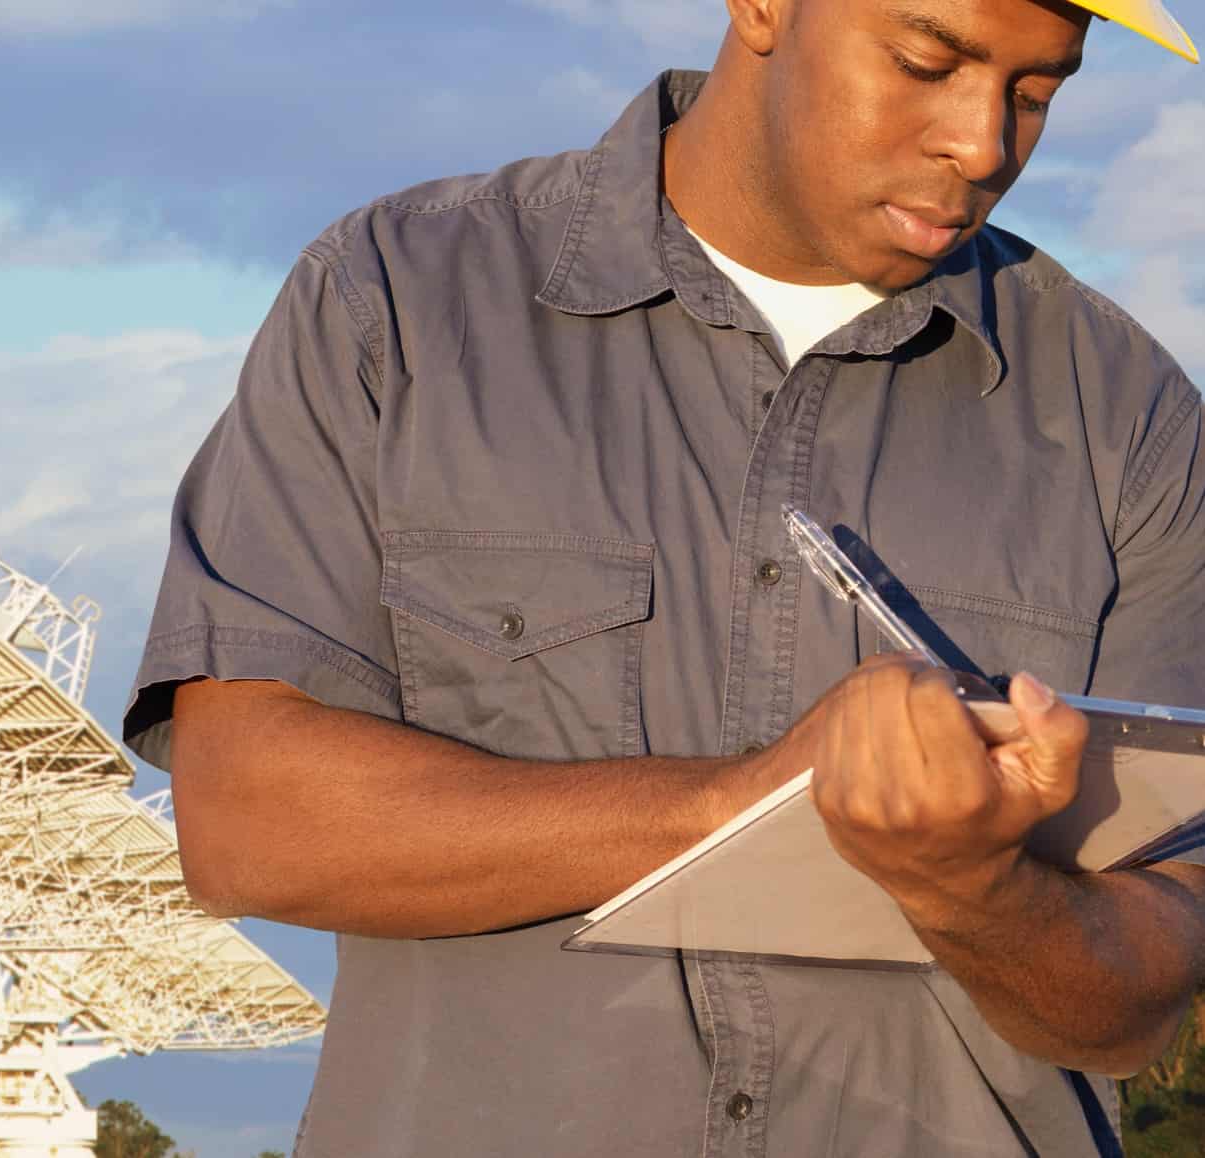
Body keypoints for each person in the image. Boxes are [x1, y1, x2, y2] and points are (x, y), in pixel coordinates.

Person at [122, 1, 1205, 1155]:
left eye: (1036, 94)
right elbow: (247, 825)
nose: (983, 144)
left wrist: (970, 888)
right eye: (922, 61)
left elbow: (1136, 1003)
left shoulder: (1123, 413)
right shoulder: (391, 300)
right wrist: (750, 801)